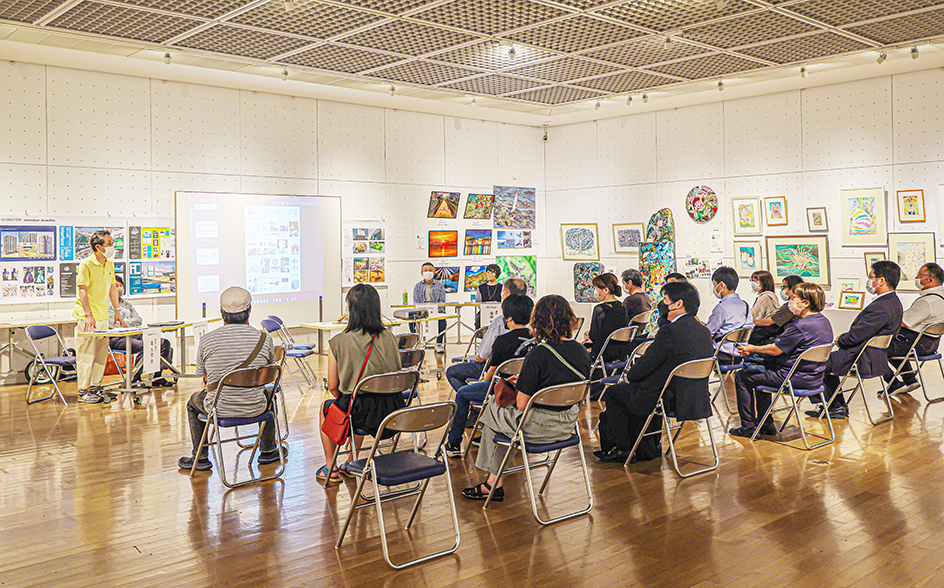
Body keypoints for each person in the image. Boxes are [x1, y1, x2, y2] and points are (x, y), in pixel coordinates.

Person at [461, 295, 590, 502]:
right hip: (567, 425)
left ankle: (493, 482)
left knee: (491, 406)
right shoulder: (582, 351)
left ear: (538, 322)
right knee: (498, 419)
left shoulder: (539, 353)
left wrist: (519, 384)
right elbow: (560, 381)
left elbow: (521, 404)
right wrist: (528, 380)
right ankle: (493, 481)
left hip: (538, 428)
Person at [595, 281, 714, 463]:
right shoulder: (703, 331)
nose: (663, 304)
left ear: (678, 304)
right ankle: (649, 446)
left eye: (665, 300)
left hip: (668, 397)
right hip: (695, 396)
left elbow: (640, 370)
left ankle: (624, 448)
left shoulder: (670, 332)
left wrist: (633, 375)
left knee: (614, 393)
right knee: (638, 391)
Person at [178, 287, 281, 472]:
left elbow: (204, 377)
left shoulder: (207, 340)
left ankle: (200, 457)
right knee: (269, 395)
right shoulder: (264, 339)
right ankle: (268, 451)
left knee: (193, 402)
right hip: (256, 406)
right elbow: (268, 373)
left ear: (221, 313)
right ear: (249, 311)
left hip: (219, 408)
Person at [317, 283, 403, 484]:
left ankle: (331, 466)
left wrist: (348, 397)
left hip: (361, 413)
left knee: (330, 407)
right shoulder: (390, 337)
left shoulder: (338, 342)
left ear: (351, 309)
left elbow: (332, 387)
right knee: (355, 401)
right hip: (393, 410)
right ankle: (351, 460)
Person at [728, 283, 833, 437]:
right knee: (760, 372)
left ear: (805, 303)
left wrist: (751, 348)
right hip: (815, 377)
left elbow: (774, 349)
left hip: (792, 377)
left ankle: (748, 427)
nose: (789, 301)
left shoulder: (800, 326)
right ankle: (766, 423)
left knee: (742, 377)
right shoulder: (823, 322)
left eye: (793, 298)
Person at [807, 261, 903, 419]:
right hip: (873, 357)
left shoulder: (881, 306)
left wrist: (841, 340)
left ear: (881, 280)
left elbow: (856, 336)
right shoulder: (893, 303)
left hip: (862, 357)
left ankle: (833, 406)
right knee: (825, 362)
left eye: (871, 277)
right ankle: (834, 405)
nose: (869, 281)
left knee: (816, 362)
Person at [444, 294, 534, 458]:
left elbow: (492, 372)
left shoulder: (503, 340)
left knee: (463, 393)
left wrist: (480, 385)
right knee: (470, 391)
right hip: (526, 388)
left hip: (502, 387)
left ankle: (453, 442)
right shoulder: (536, 339)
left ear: (508, 317)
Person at [445, 278, 528, 396]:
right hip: (523, 373)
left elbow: (482, 356)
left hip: (497, 372)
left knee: (451, 372)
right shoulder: (532, 324)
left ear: (506, 294)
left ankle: (472, 398)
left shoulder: (500, 322)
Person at [73, 230, 125, 404]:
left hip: (103, 316)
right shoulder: (85, 264)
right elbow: (82, 290)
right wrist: (88, 315)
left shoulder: (109, 264)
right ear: (98, 247)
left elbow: (112, 289)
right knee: (86, 354)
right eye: (109, 243)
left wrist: (117, 311)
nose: (113, 246)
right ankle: (83, 390)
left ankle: (95, 386)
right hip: (88, 317)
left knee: (101, 354)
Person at [884, 262, 944, 395]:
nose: (916, 278)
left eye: (919, 275)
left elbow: (903, 322)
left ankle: (893, 383)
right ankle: (909, 380)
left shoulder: (927, 302)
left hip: (917, 345)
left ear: (930, 279)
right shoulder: (941, 298)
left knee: (878, 349)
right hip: (931, 344)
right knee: (894, 346)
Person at [108, 275, 174, 387]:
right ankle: (135, 378)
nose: (118, 287)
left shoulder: (127, 304)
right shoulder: (106, 305)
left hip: (134, 334)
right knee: (145, 346)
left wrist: (125, 322)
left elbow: (139, 320)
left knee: (163, 343)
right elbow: (114, 323)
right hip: (118, 338)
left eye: (120, 285)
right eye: (115, 285)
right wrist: (127, 322)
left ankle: (158, 377)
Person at [706, 266, 751, 361]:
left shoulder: (721, 308)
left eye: (715, 286)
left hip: (723, 353)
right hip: (741, 352)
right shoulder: (745, 305)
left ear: (721, 285)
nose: (715, 289)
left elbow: (709, 333)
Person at [583, 273, 629, 363]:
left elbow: (594, 336)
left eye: (596, 289)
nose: (596, 292)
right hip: (621, 353)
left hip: (603, 354)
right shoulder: (622, 306)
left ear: (606, 290)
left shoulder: (600, 309)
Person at [749, 275, 804, 347]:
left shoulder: (790, 307)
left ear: (793, 289)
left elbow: (767, 322)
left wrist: (748, 321)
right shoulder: (805, 306)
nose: (784, 291)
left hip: (788, 341)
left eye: (784, 287)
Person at [411, 262, 447, 352]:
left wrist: (435, 311)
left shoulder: (440, 286)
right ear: (421, 273)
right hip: (422, 311)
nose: (428, 272)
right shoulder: (417, 286)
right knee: (411, 321)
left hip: (436, 311)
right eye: (425, 270)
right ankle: (418, 343)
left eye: (430, 270)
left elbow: (442, 302)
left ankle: (438, 344)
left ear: (434, 272)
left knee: (442, 322)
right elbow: (416, 302)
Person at [475, 263, 503, 329]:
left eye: (492, 272)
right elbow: (478, 302)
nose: (489, 274)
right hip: (484, 314)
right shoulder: (481, 287)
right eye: (488, 272)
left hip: (498, 314)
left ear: (497, 274)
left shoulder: (501, 287)